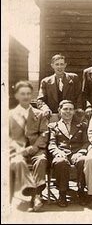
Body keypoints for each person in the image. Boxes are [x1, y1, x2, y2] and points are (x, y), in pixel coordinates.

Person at [9, 81, 48, 212]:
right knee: (18, 162)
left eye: (28, 94)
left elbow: (44, 133)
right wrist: (18, 149)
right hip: (17, 150)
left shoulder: (40, 114)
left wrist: (35, 147)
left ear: (32, 96)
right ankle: (35, 195)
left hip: (36, 149)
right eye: (22, 94)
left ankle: (35, 196)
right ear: (17, 96)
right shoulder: (10, 115)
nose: (26, 97)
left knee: (41, 160)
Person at [48, 100, 89, 207]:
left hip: (77, 153)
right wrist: (58, 152)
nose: (68, 112)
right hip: (61, 153)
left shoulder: (81, 126)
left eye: (71, 109)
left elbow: (86, 143)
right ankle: (62, 193)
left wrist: (80, 152)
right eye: (65, 109)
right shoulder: (53, 126)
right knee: (61, 162)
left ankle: (81, 191)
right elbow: (51, 144)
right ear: (59, 111)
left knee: (84, 160)